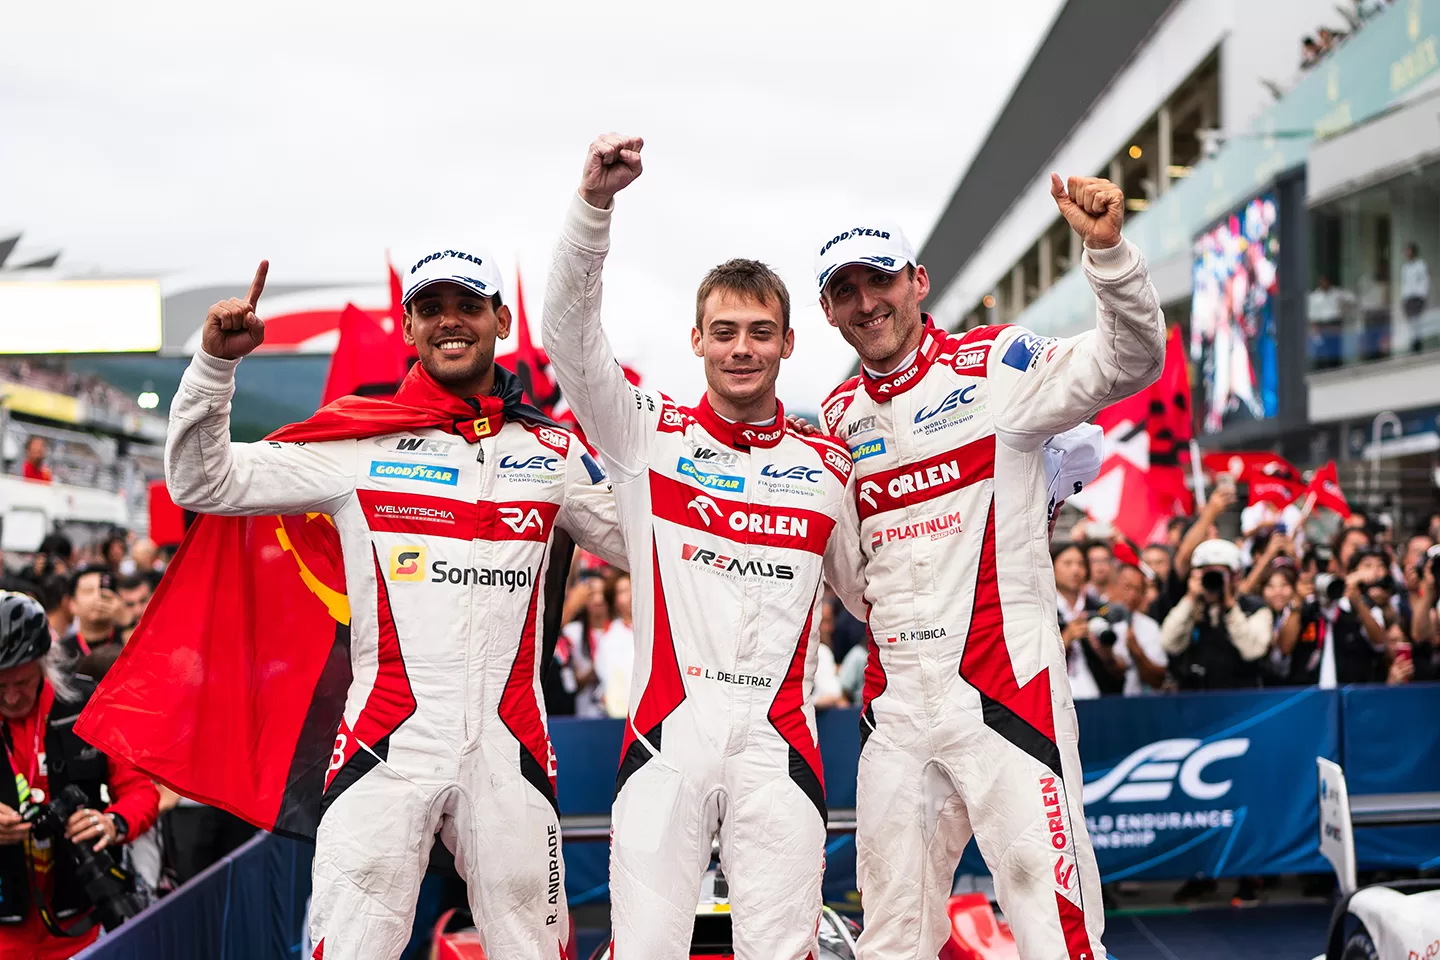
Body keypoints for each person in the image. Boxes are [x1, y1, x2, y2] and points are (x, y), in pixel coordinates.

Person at [164, 258, 625, 959]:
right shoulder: (357, 443)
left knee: (535, 949)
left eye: (467, 305)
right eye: (430, 306)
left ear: (501, 321)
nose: (449, 319)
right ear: (408, 326)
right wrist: (212, 369)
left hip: (512, 749)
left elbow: (654, 546)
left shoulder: (553, 451)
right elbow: (201, 481)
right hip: (387, 744)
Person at [815, 172, 1164, 959]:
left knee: (1053, 922)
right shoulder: (836, 420)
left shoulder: (997, 361)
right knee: (892, 934)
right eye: (846, 290)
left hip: (1008, 691)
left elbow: (1131, 360)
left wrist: (1108, 254)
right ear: (829, 311)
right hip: (897, 709)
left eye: (882, 279)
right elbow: (848, 578)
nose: (868, 301)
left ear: (918, 282)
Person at [543, 134, 860, 960]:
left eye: (761, 332)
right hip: (665, 743)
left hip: (781, 745)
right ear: (697, 341)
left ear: (790, 343)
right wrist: (593, 209)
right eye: (725, 332)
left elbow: (874, 593)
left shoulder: (828, 465)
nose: (742, 348)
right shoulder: (647, 435)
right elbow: (570, 342)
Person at [0, 591, 159, 959]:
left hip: (80, 926)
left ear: (43, 663)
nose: (10, 698)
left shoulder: (87, 707)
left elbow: (141, 792)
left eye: (21, 683)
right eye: (0, 686)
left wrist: (112, 824)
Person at [1160, 540, 1272, 689]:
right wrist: (1190, 599)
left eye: (1218, 574)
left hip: (1241, 699)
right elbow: (1169, 643)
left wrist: (1230, 607)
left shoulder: (1254, 608)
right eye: (1207, 574)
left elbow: (1253, 650)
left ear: (1236, 576)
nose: (1212, 580)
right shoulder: (1192, 606)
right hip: (1196, 700)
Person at [1284, 548, 1391, 685]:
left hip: (1352, 695)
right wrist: (1298, 602)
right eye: (1318, 574)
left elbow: (1379, 642)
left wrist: (1356, 601)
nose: (1325, 580)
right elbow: (1285, 648)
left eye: (1330, 573)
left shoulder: (1362, 605)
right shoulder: (1300, 607)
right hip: (1306, 696)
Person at [1108, 562, 1170, 695]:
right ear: (1113, 586)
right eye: (1127, 587)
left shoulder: (1149, 626)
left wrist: (1136, 650)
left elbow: (1158, 679)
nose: (1132, 594)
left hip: (1137, 704)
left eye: (1138, 589)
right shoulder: (1095, 618)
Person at [60, 567, 124, 662]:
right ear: (72, 604)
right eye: (88, 591)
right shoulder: (61, 654)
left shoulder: (129, 641)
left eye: (104, 590)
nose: (98, 597)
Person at [593, 572, 634, 720]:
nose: (631, 595)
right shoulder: (609, 639)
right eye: (623, 591)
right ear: (615, 600)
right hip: (621, 717)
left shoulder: (657, 629)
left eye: (633, 588)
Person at [1402, 243, 1430, 351]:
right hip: (1408, 298)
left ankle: (1418, 347)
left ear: (1413, 252)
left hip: (1418, 297)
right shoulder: (1405, 267)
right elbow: (1404, 284)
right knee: (1410, 324)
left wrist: (1422, 297)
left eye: (1408, 251)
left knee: (1417, 323)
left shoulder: (1421, 265)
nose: (1406, 253)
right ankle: (1413, 346)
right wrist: (1404, 298)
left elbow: (1425, 281)